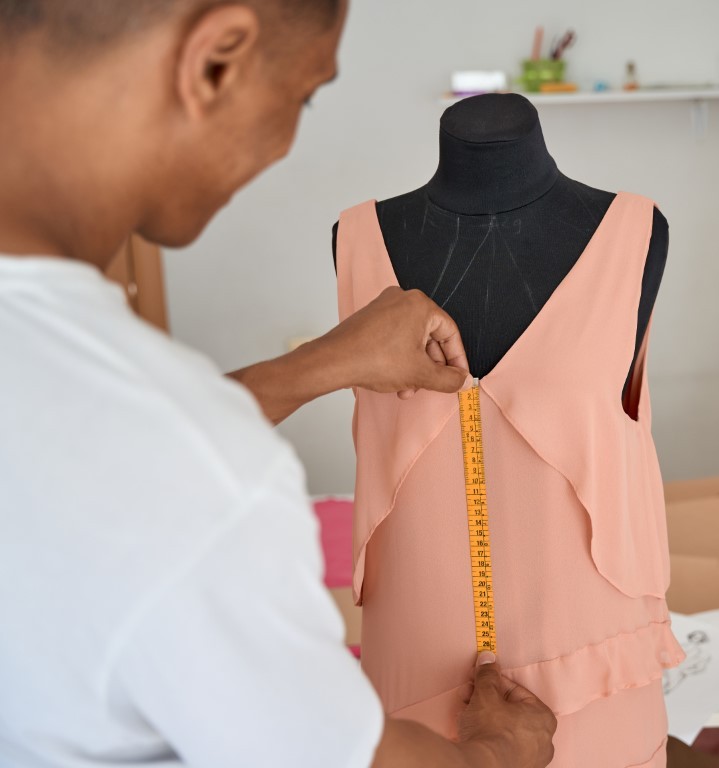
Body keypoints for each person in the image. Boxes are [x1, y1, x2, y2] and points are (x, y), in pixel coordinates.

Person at [0, 1, 556, 766]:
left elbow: (88, 446)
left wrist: (319, 363)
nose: (287, 145)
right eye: (305, 94)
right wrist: (500, 753)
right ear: (217, 59)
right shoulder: (197, 466)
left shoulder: (113, 416)